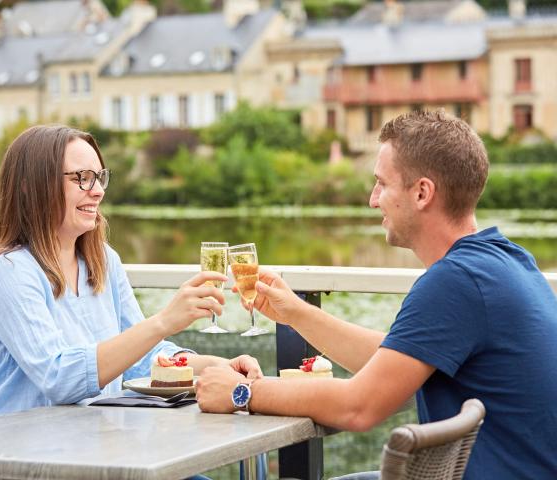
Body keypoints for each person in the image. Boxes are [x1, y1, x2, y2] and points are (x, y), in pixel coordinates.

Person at [196, 110, 557, 479]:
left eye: (382, 184)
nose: (372, 199)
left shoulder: (455, 282)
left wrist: (242, 392)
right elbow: (397, 357)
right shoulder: (505, 260)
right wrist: (296, 313)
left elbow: (358, 407)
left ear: (422, 192)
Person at [0, 125, 261, 423]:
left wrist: (217, 367)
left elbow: (140, 360)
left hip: (86, 446)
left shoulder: (102, 260)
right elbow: (59, 378)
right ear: (30, 186)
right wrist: (163, 322)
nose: (99, 191)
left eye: (100, 177)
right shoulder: (9, 272)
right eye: (83, 179)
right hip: (8, 453)